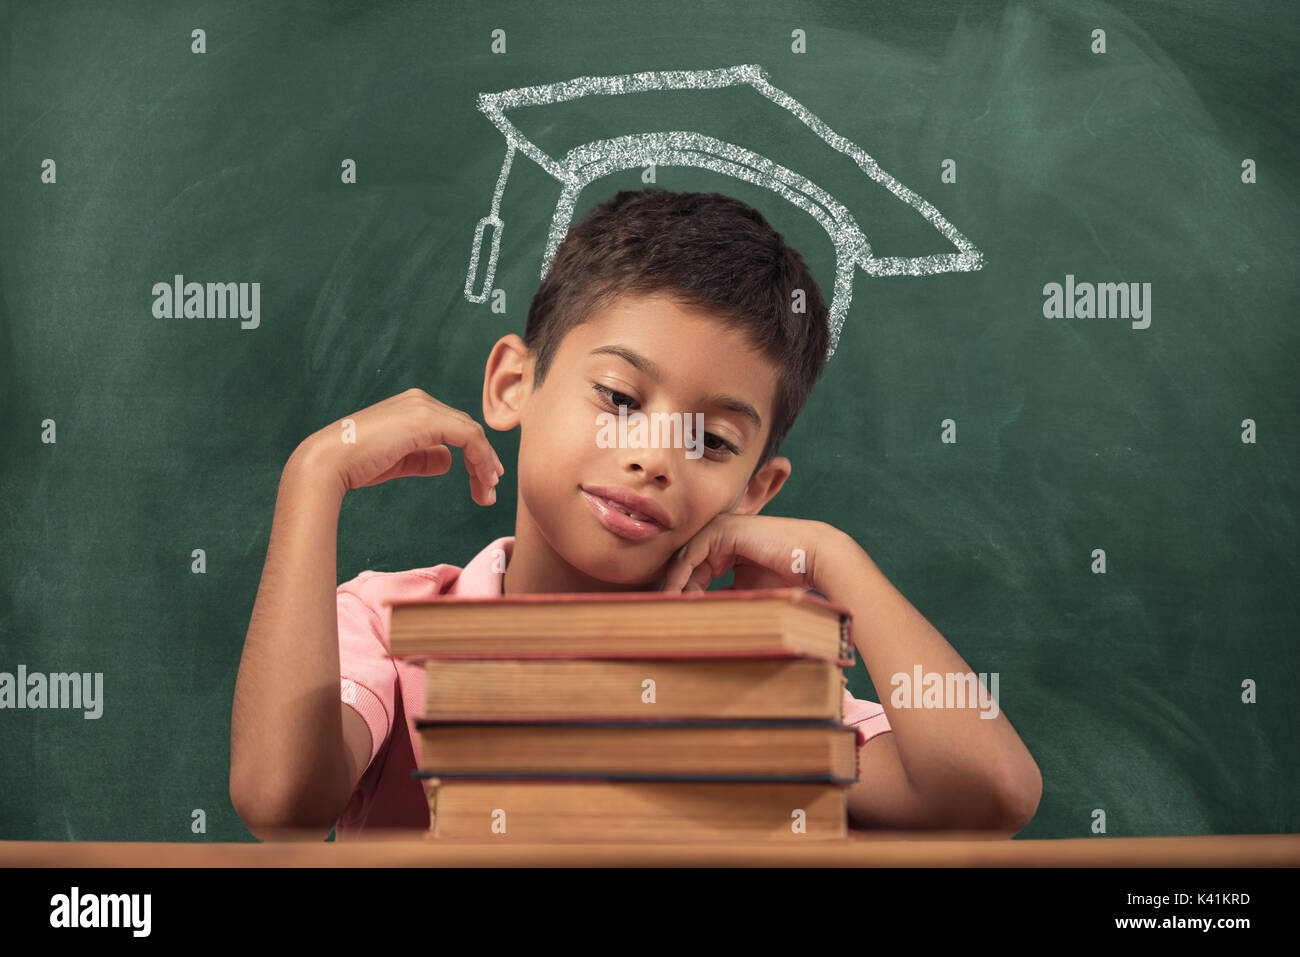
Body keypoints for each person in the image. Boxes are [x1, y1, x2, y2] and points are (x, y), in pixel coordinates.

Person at [230, 187, 1041, 841]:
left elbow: (990, 794)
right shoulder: (386, 624)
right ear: (514, 384)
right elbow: (280, 800)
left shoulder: (763, 695)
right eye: (619, 397)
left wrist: (838, 560)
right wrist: (314, 476)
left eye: (714, 441)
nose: (656, 457)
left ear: (755, 491)